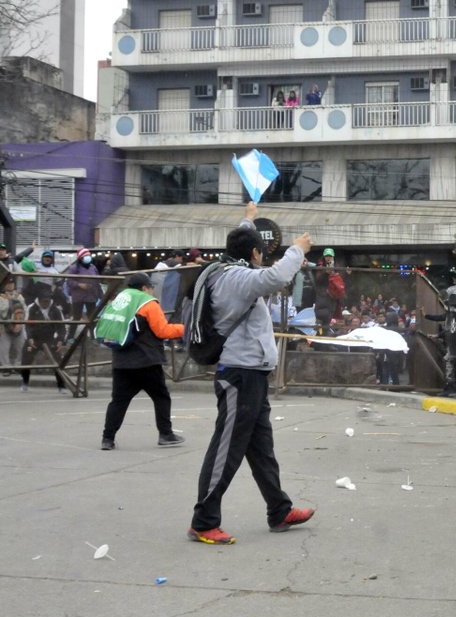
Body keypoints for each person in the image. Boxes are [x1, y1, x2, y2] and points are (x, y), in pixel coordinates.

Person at [188, 201, 314, 545]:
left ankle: (279, 510)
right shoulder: (236, 278)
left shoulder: (227, 270)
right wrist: (295, 250)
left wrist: (249, 219)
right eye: (261, 251)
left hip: (252, 374)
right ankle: (204, 521)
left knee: (261, 449)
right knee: (227, 449)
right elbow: (276, 276)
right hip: (240, 375)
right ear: (256, 254)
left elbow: (243, 244)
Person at [98, 273, 186, 451]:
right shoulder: (147, 303)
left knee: (118, 401)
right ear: (145, 288)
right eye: (151, 287)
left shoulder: (118, 301)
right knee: (161, 397)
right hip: (147, 361)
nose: (152, 291)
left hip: (121, 361)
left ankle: (107, 439)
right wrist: (185, 329)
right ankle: (166, 434)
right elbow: (163, 331)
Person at [20, 281, 68, 393]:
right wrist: (29, 339)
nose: (45, 303)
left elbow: (61, 327)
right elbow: (26, 325)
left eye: (47, 301)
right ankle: (25, 383)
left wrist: (60, 340)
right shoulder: (32, 308)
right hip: (34, 338)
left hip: (50, 337)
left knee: (58, 361)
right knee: (26, 359)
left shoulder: (56, 310)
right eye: (43, 301)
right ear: (39, 300)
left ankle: (61, 386)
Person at [65, 248, 102, 337]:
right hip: (78, 297)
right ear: (81, 258)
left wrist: (102, 296)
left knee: (92, 317)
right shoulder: (74, 268)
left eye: (89, 255)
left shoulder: (93, 268)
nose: (88, 257)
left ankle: (93, 337)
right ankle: (70, 337)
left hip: (91, 296)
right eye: (86, 256)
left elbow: (97, 282)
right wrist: (79, 285)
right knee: (76, 317)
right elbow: (69, 281)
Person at [0, 273, 27, 375]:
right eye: (7, 284)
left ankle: (17, 366)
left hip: (19, 325)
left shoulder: (19, 297)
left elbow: (25, 310)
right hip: (4, 326)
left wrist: (21, 323)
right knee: (3, 349)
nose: (10, 286)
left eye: (11, 284)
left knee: (20, 347)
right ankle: (6, 368)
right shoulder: (1, 297)